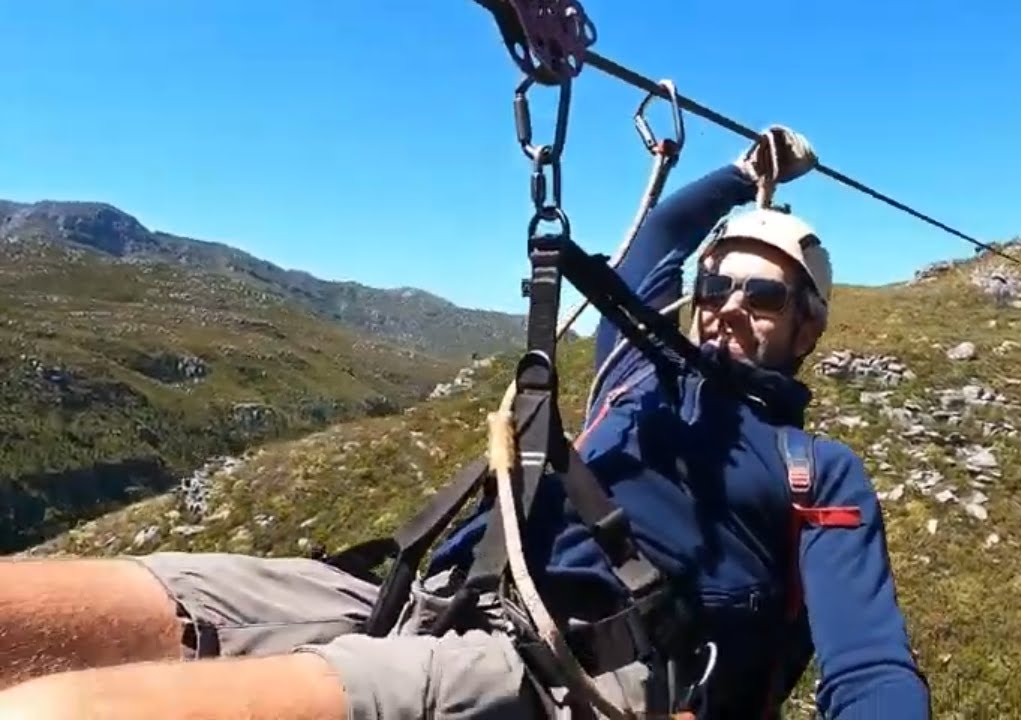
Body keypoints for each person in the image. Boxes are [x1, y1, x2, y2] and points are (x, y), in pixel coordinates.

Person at [0, 126, 930, 719]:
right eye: (715, 286)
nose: (726, 303)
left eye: (761, 294)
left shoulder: (817, 468)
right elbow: (657, 245)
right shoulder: (634, 361)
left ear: (807, 326)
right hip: (427, 594)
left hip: (568, 663)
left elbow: (870, 665)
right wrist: (742, 173)